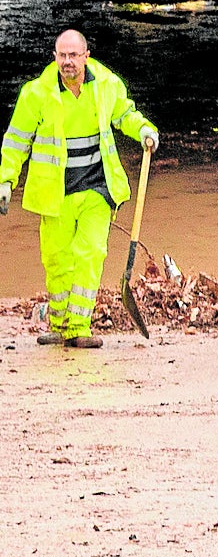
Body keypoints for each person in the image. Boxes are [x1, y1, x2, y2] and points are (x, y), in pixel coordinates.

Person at [0, 29, 158, 350]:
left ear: (86, 55)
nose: (68, 61)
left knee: (90, 253)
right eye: (62, 55)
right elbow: (16, 141)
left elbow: (124, 113)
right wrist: (6, 180)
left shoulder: (105, 85)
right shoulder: (37, 94)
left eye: (74, 55)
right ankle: (59, 326)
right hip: (54, 194)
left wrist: (144, 130)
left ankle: (79, 327)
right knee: (57, 260)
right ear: (55, 57)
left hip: (97, 188)